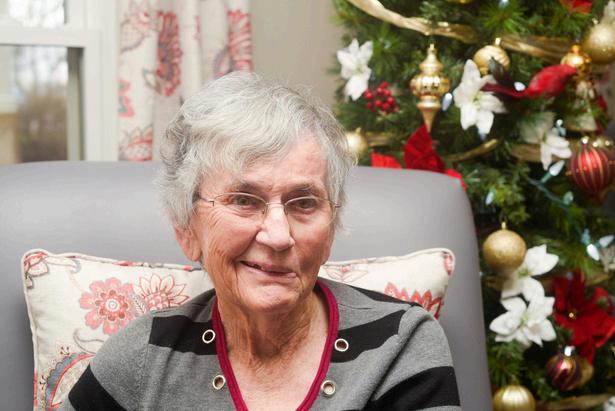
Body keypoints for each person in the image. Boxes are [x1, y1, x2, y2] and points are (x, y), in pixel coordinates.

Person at [62, 72, 460, 410]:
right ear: (186, 228)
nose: (278, 235)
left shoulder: (399, 344)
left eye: (304, 203)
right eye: (243, 201)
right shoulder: (143, 359)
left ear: (331, 229)